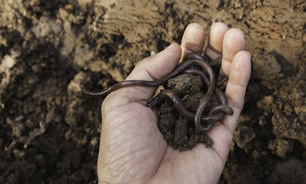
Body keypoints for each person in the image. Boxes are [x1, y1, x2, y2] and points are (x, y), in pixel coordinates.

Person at [97, 22, 252, 184]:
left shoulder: (209, 110)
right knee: (187, 90)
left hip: (198, 96)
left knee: (194, 87)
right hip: (196, 98)